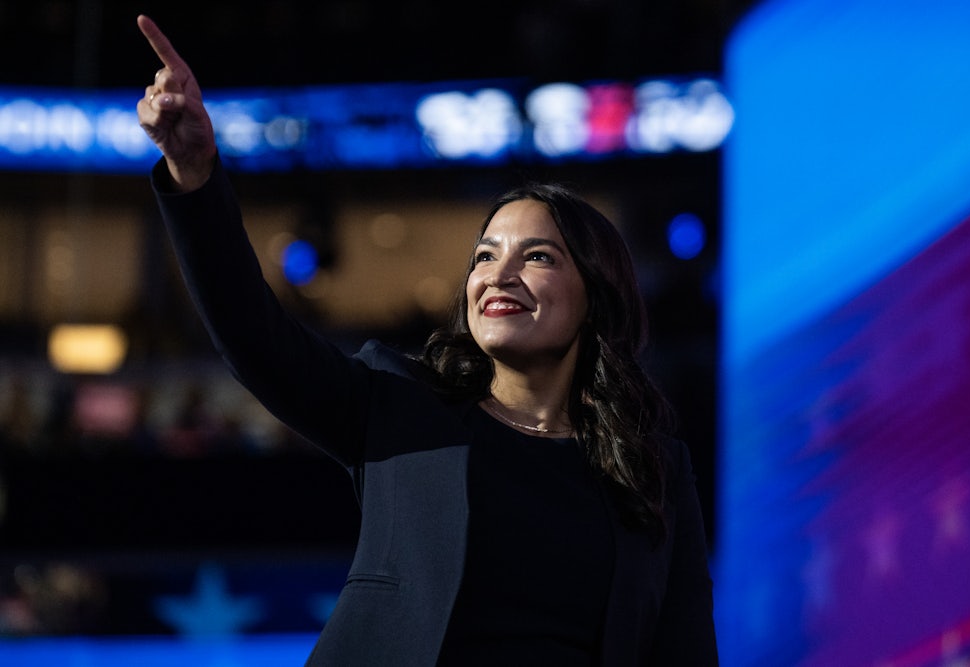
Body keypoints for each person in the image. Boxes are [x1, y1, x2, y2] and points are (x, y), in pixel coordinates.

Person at [135, 14, 718, 666]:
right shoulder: (399, 406)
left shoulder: (655, 470)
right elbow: (252, 336)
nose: (499, 274)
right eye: (485, 256)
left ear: (596, 294)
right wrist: (194, 171)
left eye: (538, 257)